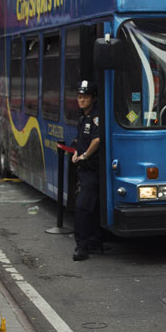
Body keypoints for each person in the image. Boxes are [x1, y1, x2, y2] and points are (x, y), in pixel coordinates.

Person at [71, 80, 101, 261]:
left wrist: (85, 156)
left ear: (93, 98)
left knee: (83, 208)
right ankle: (94, 242)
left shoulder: (96, 117)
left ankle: (81, 247)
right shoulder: (82, 117)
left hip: (91, 169)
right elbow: (81, 140)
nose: (81, 100)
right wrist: (76, 152)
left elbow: (96, 140)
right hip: (83, 169)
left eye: (85, 97)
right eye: (80, 97)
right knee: (92, 207)